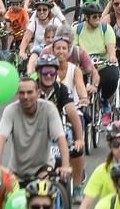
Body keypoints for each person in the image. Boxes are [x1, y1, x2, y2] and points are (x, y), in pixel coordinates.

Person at [0, 78, 71, 182]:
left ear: (38, 93)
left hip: (43, 168)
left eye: (30, 92)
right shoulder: (10, 110)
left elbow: (61, 138)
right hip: (16, 171)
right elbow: (1, 139)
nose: (25, 97)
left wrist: (65, 166)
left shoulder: (49, 108)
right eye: (22, 93)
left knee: (42, 191)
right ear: (17, 94)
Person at [35, 54, 86, 197]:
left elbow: (72, 113)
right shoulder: (32, 89)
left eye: (52, 72)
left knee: (77, 150)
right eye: (45, 72)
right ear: (39, 73)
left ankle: (76, 187)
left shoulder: (61, 89)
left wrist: (79, 139)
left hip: (58, 129)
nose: (49, 76)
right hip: (36, 130)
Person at [72, 2, 119, 126]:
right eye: (94, 17)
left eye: (99, 16)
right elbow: (73, 49)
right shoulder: (77, 29)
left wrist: (112, 57)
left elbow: (110, 46)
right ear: (86, 17)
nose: (98, 19)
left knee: (113, 75)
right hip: (83, 67)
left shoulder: (105, 28)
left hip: (102, 65)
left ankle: (104, 100)